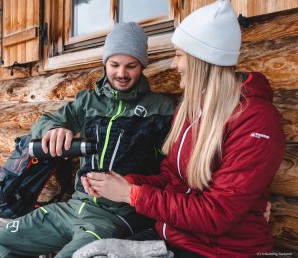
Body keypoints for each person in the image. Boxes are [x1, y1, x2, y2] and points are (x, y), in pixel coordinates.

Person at [82, 0, 285, 257]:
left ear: (203, 60)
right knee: (90, 253)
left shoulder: (256, 121)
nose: (172, 65)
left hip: (221, 250)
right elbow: (170, 179)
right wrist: (124, 183)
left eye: (178, 55)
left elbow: (217, 215)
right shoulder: (190, 109)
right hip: (175, 235)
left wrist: (131, 195)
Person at [0, 22, 175, 258]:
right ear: (105, 63)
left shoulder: (162, 109)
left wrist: (131, 187)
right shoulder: (88, 101)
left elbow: (173, 174)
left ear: (142, 66)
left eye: (131, 66)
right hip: (75, 205)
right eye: (114, 65)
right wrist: (54, 129)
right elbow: (45, 121)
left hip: (119, 216)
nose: (122, 74)